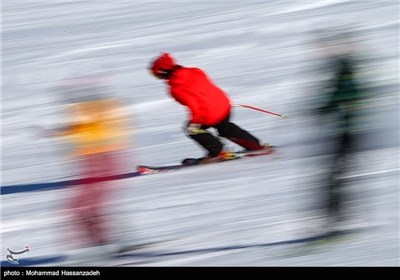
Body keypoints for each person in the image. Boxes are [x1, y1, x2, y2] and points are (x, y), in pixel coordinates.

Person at [149, 52, 270, 164]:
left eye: (156, 75)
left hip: (209, 113)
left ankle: (218, 152)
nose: (159, 78)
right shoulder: (195, 70)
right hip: (224, 105)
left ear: (163, 72)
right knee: (225, 127)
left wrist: (195, 123)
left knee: (191, 129)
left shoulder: (176, 88)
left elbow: (195, 106)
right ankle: (255, 145)